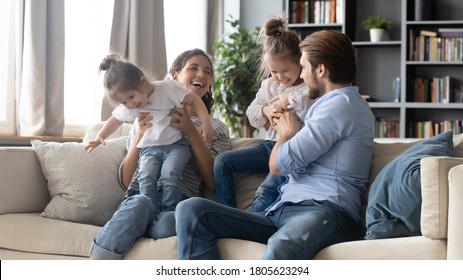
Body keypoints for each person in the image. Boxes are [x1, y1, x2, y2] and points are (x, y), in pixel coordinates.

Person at [175, 30, 375, 260]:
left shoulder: (342, 104)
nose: (303, 75)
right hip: (283, 210)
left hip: (325, 211)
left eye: (304, 67)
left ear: (321, 70)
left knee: (281, 247)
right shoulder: (325, 106)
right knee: (191, 210)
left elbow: (279, 164)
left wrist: (286, 134)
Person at [88, 49, 230, 259]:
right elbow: (127, 182)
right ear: (174, 76)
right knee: (140, 203)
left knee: (174, 220)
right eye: (193, 68)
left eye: (208, 71)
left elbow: (212, 183)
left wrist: (191, 130)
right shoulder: (141, 112)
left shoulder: (216, 128)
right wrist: (139, 137)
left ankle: (133, 227)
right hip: (141, 196)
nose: (202, 74)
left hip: (177, 205)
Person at [85, 54, 214, 214]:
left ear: (143, 81)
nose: (130, 104)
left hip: (175, 146)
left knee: (170, 174)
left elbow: (194, 100)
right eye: (124, 102)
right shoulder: (134, 107)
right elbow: (115, 119)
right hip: (149, 149)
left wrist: (205, 123)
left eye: (131, 97)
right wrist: (100, 136)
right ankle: (147, 211)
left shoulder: (167, 89)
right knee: (146, 177)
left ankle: (169, 211)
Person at [214, 16, 315, 212]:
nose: (280, 77)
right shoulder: (269, 85)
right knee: (222, 162)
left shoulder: (308, 87)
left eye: (286, 70)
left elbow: (310, 110)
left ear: (300, 62)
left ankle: (247, 223)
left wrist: (289, 100)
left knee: (263, 195)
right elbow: (251, 114)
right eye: (274, 71)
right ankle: (227, 213)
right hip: (270, 146)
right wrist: (265, 110)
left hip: (292, 150)